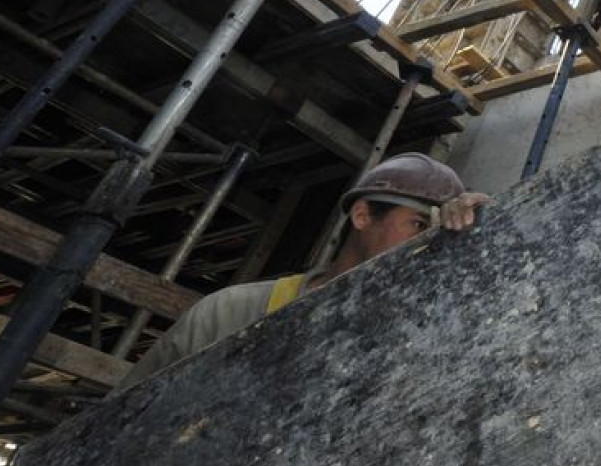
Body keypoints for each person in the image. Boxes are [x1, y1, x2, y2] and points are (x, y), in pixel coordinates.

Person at [118, 153, 488, 388]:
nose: (423, 245)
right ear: (362, 215)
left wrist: (493, 232)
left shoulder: (409, 344)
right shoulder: (228, 314)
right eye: (419, 226)